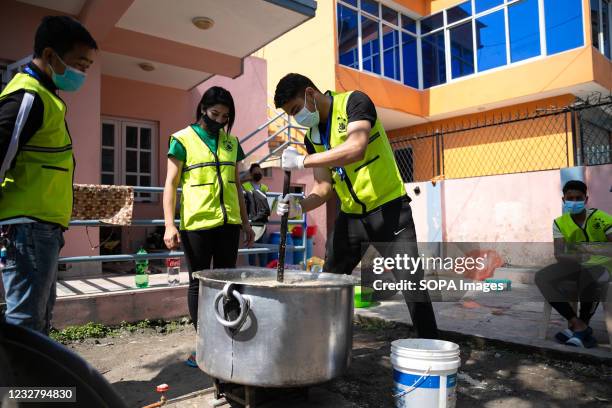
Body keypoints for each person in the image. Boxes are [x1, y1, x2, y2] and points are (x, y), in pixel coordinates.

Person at [274, 73, 438, 339]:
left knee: (412, 286)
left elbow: (356, 147)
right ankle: (321, 347)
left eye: (296, 110)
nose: (297, 118)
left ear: (310, 94)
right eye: (291, 115)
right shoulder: (312, 137)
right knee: (329, 283)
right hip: (351, 219)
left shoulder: (354, 102)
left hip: (390, 211)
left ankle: (430, 349)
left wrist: (304, 162)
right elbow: (324, 187)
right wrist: (299, 207)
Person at [0, 16, 97, 334]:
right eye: (80, 63)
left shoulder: (47, 98)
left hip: (41, 227)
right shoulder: (28, 98)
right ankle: (18, 386)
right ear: (51, 55)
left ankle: (34, 383)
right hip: (27, 227)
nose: (83, 72)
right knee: (26, 325)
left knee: (38, 320)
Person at [162, 86, 255, 367]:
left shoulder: (231, 143)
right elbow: (171, 184)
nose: (220, 120)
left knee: (230, 283)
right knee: (199, 283)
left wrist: (246, 222)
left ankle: (229, 338)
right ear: (203, 108)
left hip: (229, 225)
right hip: (197, 224)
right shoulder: (182, 139)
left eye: (226, 116)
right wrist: (169, 224)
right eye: (215, 113)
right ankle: (204, 342)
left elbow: (237, 184)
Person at [535, 180, 611, 348]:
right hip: (576, 264)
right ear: (564, 200)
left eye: (579, 198)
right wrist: (579, 258)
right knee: (542, 277)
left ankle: (580, 326)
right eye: (570, 198)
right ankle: (577, 324)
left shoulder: (602, 219)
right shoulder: (560, 223)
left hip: (603, 266)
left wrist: (592, 252)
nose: (574, 202)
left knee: (589, 274)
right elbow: (559, 254)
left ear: (586, 199)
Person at [242, 163, 270, 266]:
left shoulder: (265, 188)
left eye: (260, 171)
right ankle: (251, 273)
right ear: (251, 173)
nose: (258, 173)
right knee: (251, 251)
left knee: (263, 251)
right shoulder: (245, 186)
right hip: (251, 223)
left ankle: (263, 273)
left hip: (262, 223)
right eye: (256, 172)